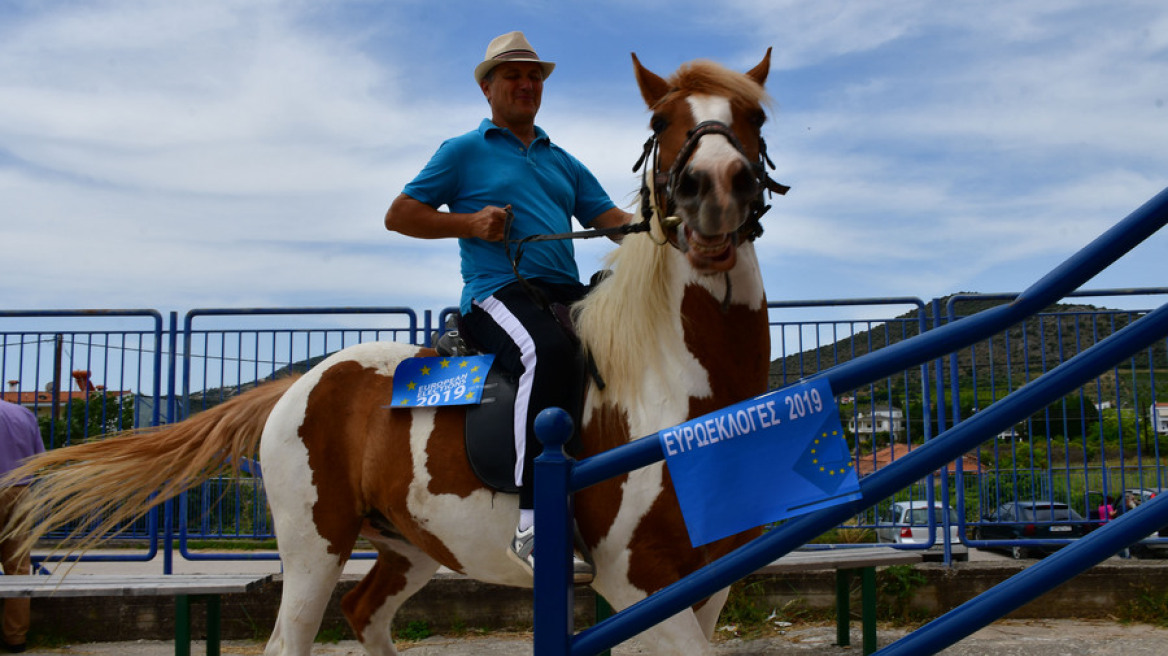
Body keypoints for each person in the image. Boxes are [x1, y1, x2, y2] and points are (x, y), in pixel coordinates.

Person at [384, 31, 630, 582]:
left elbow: (606, 217)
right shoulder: (462, 152)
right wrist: (468, 224)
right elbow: (399, 215)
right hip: (498, 293)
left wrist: (660, 228)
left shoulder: (563, 159)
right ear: (487, 87)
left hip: (566, 293)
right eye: (514, 75)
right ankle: (534, 523)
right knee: (547, 351)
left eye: (535, 75)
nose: (526, 84)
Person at [0, 399, 45, 653]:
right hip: (21, 490)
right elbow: (40, 458)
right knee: (17, 567)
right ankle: (15, 638)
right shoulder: (23, 414)